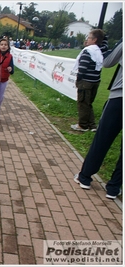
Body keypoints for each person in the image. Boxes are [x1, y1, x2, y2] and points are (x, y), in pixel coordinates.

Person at [74, 38, 122, 199]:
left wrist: (108, 46)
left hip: (119, 97)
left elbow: (107, 61)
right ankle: (114, 188)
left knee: (102, 139)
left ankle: (85, 177)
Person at [71, 29, 108, 131]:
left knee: (83, 103)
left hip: (85, 82)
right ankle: (91, 125)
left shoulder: (88, 51)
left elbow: (82, 68)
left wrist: (78, 79)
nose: (87, 40)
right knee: (88, 103)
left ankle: (82, 125)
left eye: (89, 38)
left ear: (94, 39)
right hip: (95, 81)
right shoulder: (99, 51)